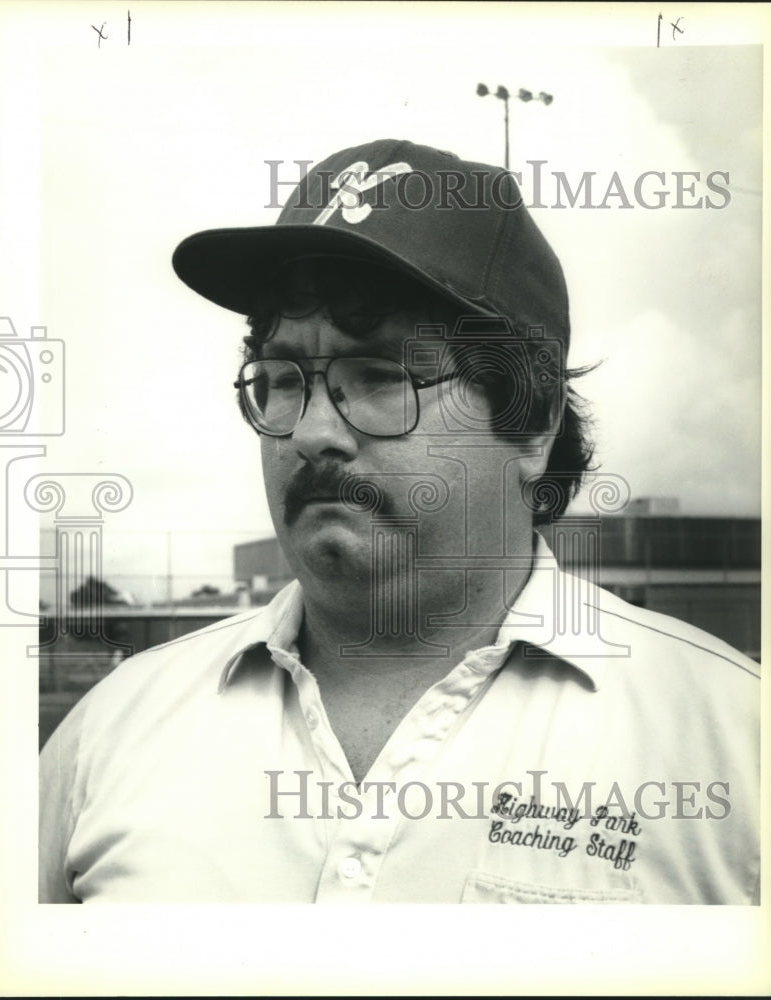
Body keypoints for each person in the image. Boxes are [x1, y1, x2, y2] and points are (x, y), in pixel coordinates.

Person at [39, 138, 759, 904]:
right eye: (283, 380)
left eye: (380, 376)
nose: (312, 431)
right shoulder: (110, 731)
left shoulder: (731, 748)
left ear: (534, 420)